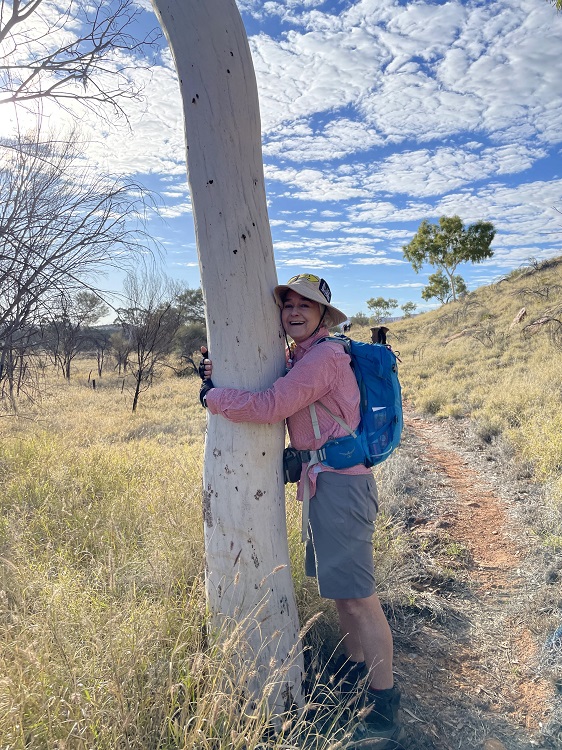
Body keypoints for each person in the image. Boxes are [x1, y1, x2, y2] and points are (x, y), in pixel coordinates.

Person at [199, 274, 403, 748]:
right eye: (287, 304)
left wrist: (213, 398)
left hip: (341, 490)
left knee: (359, 597)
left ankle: (385, 708)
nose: (293, 311)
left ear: (322, 315)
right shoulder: (303, 356)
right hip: (323, 487)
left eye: (304, 306)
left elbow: (272, 404)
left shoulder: (326, 358)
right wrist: (219, 369)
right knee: (341, 594)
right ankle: (357, 682)